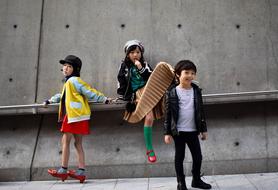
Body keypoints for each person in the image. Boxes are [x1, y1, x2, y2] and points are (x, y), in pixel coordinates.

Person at [44, 55, 110, 183]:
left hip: (74, 116)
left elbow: (89, 91)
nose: (66, 68)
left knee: (65, 141)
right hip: (78, 116)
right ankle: (81, 171)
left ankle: (63, 170)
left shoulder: (74, 81)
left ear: (75, 69)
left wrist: (103, 99)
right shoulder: (69, 82)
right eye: (65, 66)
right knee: (77, 143)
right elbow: (62, 95)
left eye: (69, 66)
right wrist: (51, 100)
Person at [164, 60, 212, 190]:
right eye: (186, 72)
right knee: (179, 157)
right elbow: (168, 114)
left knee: (198, 157)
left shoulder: (196, 91)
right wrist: (167, 132)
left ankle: (196, 180)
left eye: (193, 73)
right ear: (178, 74)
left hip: (193, 130)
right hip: (178, 132)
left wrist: (204, 130)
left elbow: (201, 112)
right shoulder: (172, 92)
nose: (190, 75)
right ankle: (181, 183)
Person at [117, 40, 165, 163]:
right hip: (137, 95)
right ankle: (149, 148)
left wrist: (141, 67)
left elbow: (151, 77)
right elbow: (120, 80)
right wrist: (123, 95)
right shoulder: (124, 66)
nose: (135, 55)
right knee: (148, 118)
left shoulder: (145, 64)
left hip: (149, 91)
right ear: (127, 54)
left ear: (141, 53)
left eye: (137, 52)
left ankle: (151, 147)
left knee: (150, 118)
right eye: (132, 52)